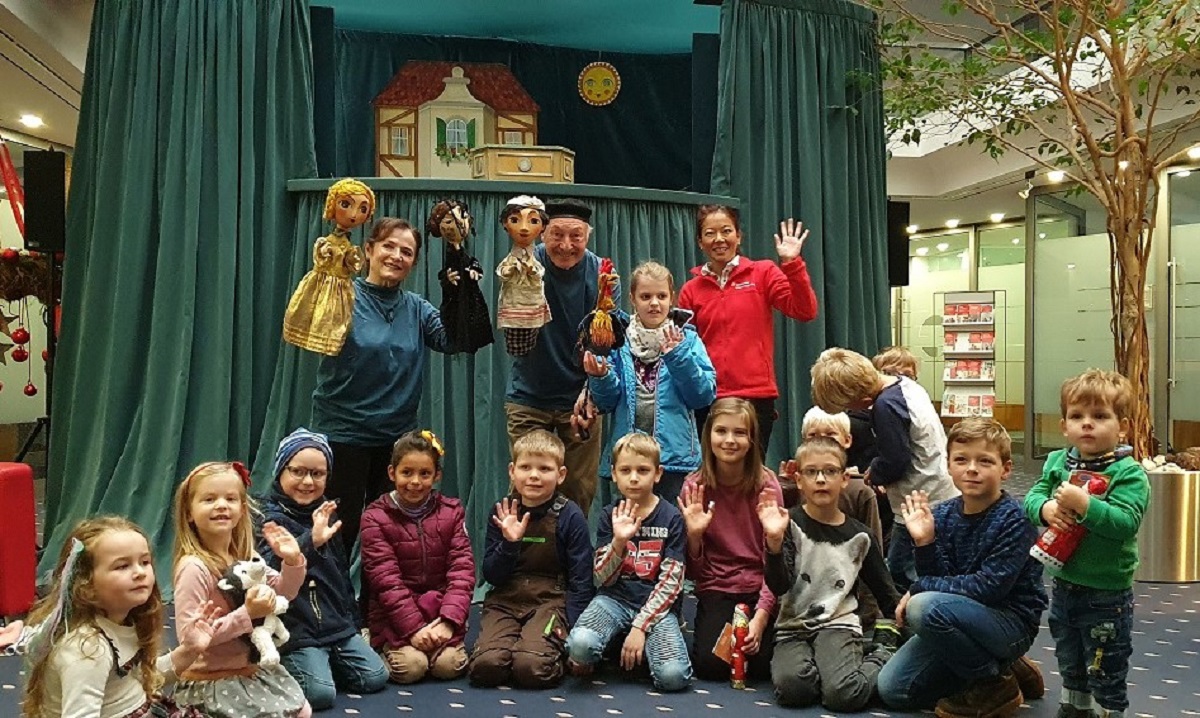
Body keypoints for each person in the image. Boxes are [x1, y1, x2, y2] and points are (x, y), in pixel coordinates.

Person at [878, 418, 1048, 717]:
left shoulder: (1015, 519)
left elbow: (988, 589)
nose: (971, 468)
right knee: (895, 691)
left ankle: (992, 681)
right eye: (961, 459)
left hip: (1010, 621)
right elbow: (938, 579)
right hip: (961, 616)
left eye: (984, 461)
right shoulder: (942, 514)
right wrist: (925, 543)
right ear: (949, 466)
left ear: (1005, 469)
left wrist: (919, 588)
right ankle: (1003, 666)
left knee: (923, 607)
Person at [311, 217, 454, 561]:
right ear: (368, 250)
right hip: (344, 433)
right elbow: (311, 330)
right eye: (388, 246)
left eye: (406, 252)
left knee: (389, 539)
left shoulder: (417, 308)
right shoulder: (342, 295)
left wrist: (458, 283)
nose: (396, 256)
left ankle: (376, 611)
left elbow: (452, 340)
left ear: (414, 263)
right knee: (339, 533)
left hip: (395, 440)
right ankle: (333, 609)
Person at [1023, 370, 1150, 718]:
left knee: (1104, 667)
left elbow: (1125, 524)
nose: (1087, 425)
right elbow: (1032, 498)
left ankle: (1107, 712)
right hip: (1064, 585)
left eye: (1100, 416)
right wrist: (1046, 508)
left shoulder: (1128, 473)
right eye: (1077, 417)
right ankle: (1073, 708)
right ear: (1064, 426)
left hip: (1106, 593)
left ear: (1121, 426)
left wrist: (1085, 505)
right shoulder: (1057, 462)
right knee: (1069, 660)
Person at [20, 516, 219, 718]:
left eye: (144, 562)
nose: (140, 572)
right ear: (86, 586)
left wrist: (190, 650)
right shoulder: (88, 649)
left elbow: (140, 680)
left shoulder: (123, 620)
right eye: (122, 566)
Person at [758, 437, 901, 710]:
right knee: (794, 690)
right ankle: (833, 668)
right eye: (812, 472)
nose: (821, 479)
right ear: (799, 480)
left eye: (830, 471)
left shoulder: (860, 535)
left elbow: (885, 591)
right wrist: (774, 545)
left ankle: (881, 656)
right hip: (792, 627)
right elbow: (778, 587)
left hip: (839, 624)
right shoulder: (787, 523)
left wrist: (904, 615)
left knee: (843, 695)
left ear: (845, 478)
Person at [256, 428, 388, 709]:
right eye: (298, 471)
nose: (307, 481)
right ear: (280, 470)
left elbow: (340, 576)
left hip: (333, 628)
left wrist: (352, 625)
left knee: (376, 676)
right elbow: (267, 574)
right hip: (295, 630)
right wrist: (309, 542)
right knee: (319, 695)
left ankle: (323, 661)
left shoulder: (328, 514)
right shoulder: (266, 518)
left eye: (317, 474)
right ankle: (300, 665)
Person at [810, 347, 959, 591]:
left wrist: (874, 472)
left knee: (902, 571)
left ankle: (912, 618)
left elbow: (896, 460)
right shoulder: (906, 386)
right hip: (939, 490)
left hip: (919, 500)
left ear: (863, 401)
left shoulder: (884, 407)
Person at [171, 461, 311, 718]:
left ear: (242, 509)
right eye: (209, 499)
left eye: (230, 498)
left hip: (248, 671)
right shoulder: (194, 568)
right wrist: (247, 614)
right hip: (211, 679)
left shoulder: (246, 556)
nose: (221, 505)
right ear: (189, 512)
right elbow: (190, 639)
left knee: (302, 710)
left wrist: (292, 561)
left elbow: (284, 593)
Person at [677, 205, 819, 457]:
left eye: (726, 231)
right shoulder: (690, 290)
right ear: (700, 242)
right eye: (710, 233)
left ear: (738, 236)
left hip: (755, 397)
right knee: (712, 475)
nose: (719, 239)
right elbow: (685, 348)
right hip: (709, 397)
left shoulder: (763, 273)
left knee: (752, 477)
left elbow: (804, 310)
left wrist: (791, 263)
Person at [469, 430, 594, 689]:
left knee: (531, 668)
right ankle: (513, 644)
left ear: (560, 475)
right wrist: (509, 544)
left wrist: (575, 633)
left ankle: (541, 649)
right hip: (506, 598)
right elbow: (491, 575)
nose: (534, 475)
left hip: (550, 601)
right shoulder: (501, 511)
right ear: (512, 471)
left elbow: (581, 581)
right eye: (526, 467)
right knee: (486, 667)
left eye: (545, 469)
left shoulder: (571, 516)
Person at [584, 260, 717, 506]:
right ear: (632, 299)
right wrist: (600, 377)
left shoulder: (687, 340)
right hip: (628, 461)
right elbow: (607, 402)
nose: (654, 303)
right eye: (645, 296)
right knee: (625, 528)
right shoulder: (618, 340)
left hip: (674, 460)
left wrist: (677, 356)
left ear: (671, 299)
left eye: (661, 296)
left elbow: (703, 396)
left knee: (674, 529)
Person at [566, 434, 691, 691]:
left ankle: (638, 645)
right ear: (614, 474)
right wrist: (619, 542)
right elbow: (600, 578)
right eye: (626, 470)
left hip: (657, 607)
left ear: (658, 474)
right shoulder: (608, 515)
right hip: (614, 599)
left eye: (642, 470)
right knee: (579, 647)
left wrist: (640, 626)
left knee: (673, 676)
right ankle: (620, 644)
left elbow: (672, 582)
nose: (634, 477)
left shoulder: (671, 518)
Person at [506, 198, 606, 516]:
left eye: (575, 237)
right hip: (529, 396)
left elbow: (607, 345)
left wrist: (591, 393)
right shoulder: (524, 263)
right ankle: (519, 559)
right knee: (526, 488)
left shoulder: (602, 273)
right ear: (542, 233)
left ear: (587, 237)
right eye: (557, 235)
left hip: (581, 396)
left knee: (578, 491)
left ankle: (570, 562)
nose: (565, 245)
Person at [677, 397, 783, 682]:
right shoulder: (694, 486)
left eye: (739, 433)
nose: (729, 440)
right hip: (718, 588)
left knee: (761, 667)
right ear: (708, 435)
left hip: (760, 587)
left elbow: (774, 563)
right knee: (710, 667)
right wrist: (695, 536)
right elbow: (696, 575)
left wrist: (760, 619)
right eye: (721, 431)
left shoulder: (767, 485)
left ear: (752, 439)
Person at [360, 430, 475, 684]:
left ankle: (439, 641)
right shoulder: (374, 518)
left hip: (439, 612)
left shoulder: (453, 512)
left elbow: (462, 571)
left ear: (437, 476)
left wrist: (448, 622)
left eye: (425, 474)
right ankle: (378, 646)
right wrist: (413, 629)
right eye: (407, 473)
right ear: (392, 473)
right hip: (395, 619)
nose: (415, 482)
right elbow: (385, 581)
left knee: (449, 666)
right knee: (411, 668)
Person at [778, 407, 884, 630]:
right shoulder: (791, 497)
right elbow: (779, 575)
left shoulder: (860, 492)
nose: (820, 479)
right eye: (813, 436)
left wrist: (869, 614)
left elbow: (873, 558)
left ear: (847, 440)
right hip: (797, 610)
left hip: (842, 611)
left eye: (830, 436)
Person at [282, 178, 375, 356]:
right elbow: (321, 260)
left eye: (362, 209)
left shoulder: (349, 246)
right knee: (315, 311)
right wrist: (326, 253)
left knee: (337, 320)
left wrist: (352, 259)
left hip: (341, 287)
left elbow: (353, 266)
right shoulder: (327, 242)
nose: (354, 214)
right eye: (346, 204)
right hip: (323, 282)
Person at [427, 198, 493, 354]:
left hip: (469, 294)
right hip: (456, 297)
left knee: (471, 319)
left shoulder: (461, 252)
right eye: (449, 221)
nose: (461, 224)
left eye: (463, 218)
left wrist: (474, 269)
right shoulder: (451, 253)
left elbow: (471, 262)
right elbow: (445, 274)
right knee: (457, 321)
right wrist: (448, 278)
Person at [495, 195, 552, 356]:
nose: (524, 228)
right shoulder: (512, 257)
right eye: (515, 220)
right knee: (515, 342)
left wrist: (532, 270)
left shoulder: (536, 258)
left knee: (531, 338)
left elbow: (539, 271)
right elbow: (502, 270)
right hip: (514, 300)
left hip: (532, 300)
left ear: (543, 227)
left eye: (533, 221)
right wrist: (508, 271)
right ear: (505, 224)